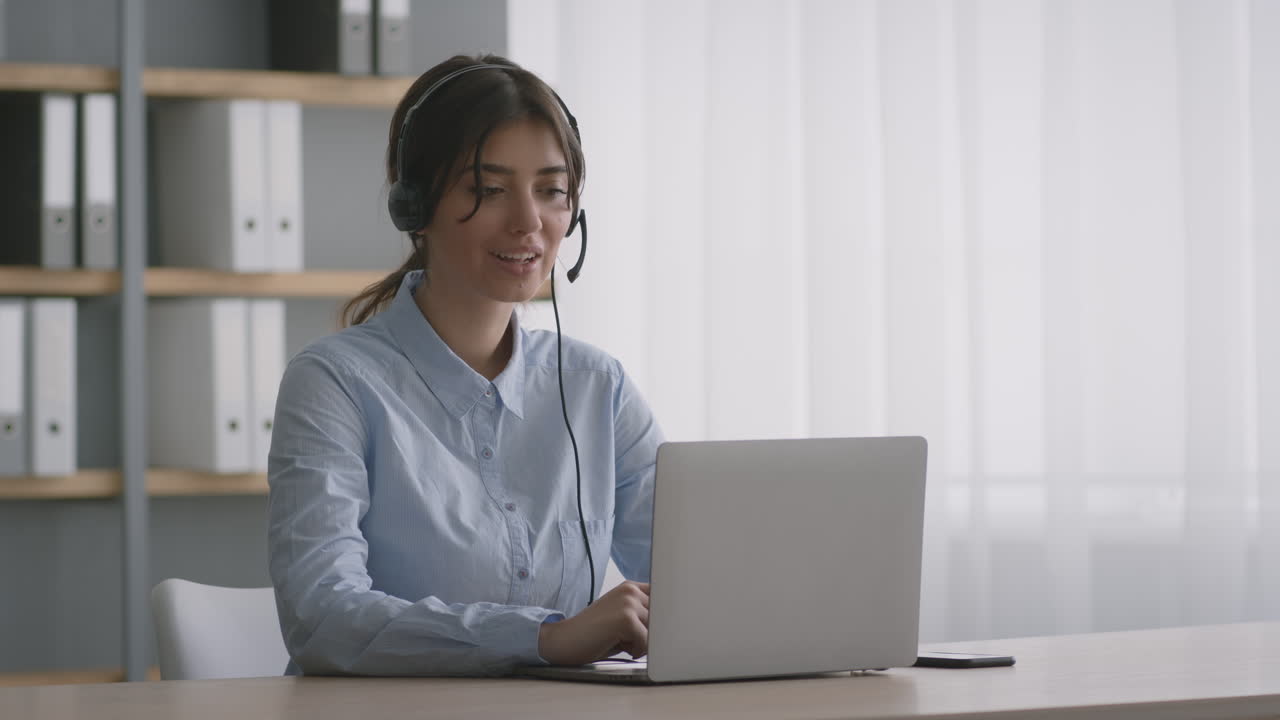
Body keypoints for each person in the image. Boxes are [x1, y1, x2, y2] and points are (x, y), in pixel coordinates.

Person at [266, 54, 664, 676]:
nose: (530, 222)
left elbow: (704, 583)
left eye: (552, 191)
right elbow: (322, 615)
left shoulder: (597, 388)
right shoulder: (334, 383)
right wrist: (547, 637)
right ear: (415, 205)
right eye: (489, 190)